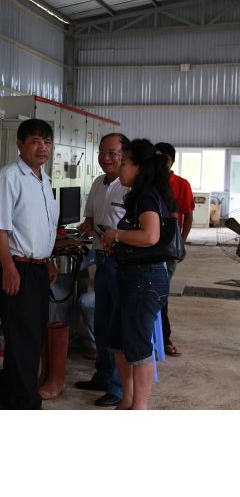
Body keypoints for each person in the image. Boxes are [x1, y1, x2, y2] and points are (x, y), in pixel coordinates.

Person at [0, 118, 59, 409]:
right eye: (35, 141)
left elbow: (43, 226)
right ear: (19, 144)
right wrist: (8, 267)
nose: (42, 147)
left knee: (31, 339)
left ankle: (7, 402)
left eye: (47, 141)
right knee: (23, 341)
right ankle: (26, 405)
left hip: (37, 268)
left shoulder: (45, 180)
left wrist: (48, 260)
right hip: (17, 267)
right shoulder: (9, 177)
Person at [101, 139, 176, 409]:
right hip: (133, 277)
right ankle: (128, 399)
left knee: (138, 345)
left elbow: (150, 236)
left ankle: (139, 407)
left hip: (145, 281)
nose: (119, 167)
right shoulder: (138, 195)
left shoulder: (146, 197)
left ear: (139, 168)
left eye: (124, 162)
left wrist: (116, 235)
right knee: (120, 342)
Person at [74, 133, 130, 407]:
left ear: (125, 155)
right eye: (102, 152)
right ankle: (103, 375)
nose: (105, 158)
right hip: (102, 261)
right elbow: (90, 218)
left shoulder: (130, 187)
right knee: (102, 322)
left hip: (122, 264)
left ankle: (118, 388)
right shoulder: (98, 183)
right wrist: (86, 227)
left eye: (112, 153)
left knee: (118, 325)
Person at [154, 142, 194, 357]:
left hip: (168, 247)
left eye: (165, 159)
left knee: (161, 292)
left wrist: (181, 243)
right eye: (157, 158)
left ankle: (164, 338)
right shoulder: (147, 182)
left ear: (172, 161)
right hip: (147, 247)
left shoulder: (181, 184)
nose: (161, 163)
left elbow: (187, 215)